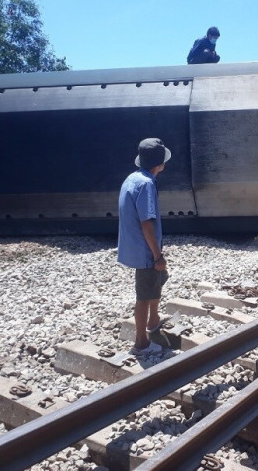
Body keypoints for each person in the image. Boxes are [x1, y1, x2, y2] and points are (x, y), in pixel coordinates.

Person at [118, 138, 172, 355]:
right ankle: (141, 343)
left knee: (158, 279)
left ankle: (154, 319)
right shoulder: (147, 184)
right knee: (143, 294)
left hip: (137, 248)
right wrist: (157, 256)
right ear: (160, 164)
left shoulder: (133, 178)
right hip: (145, 252)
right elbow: (146, 223)